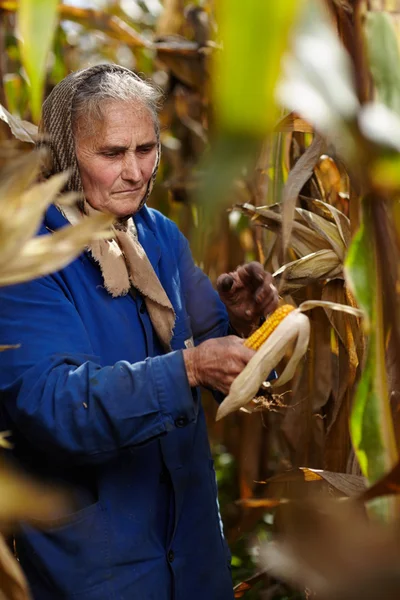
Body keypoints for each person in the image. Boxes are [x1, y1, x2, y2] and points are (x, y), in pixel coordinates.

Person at [0, 64, 278, 600]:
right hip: (100, 568)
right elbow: (54, 405)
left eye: (146, 149)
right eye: (111, 154)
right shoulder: (28, 256)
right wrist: (190, 368)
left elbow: (209, 344)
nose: (134, 172)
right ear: (63, 155)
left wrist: (243, 321)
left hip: (193, 555)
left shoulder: (157, 234)